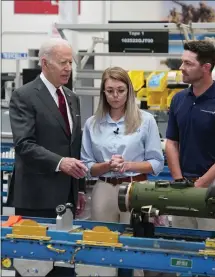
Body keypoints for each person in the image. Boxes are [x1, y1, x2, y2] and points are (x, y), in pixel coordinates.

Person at [8, 37, 87, 276]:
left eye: (70, 63)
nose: (68, 68)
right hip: (36, 197)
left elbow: (75, 145)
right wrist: (60, 163)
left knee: (64, 265)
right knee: (34, 268)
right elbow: (24, 144)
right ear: (45, 63)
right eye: (63, 63)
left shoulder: (72, 98)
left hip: (66, 199)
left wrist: (79, 187)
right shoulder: (25, 95)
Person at [165, 40, 215, 230]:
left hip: (214, 188)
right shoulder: (178, 100)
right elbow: (171, 143)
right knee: (180, 244)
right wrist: (178, 181)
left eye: (188, 64)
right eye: (182, 62)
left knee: (213, 247)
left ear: (206, 67)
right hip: (182, 187)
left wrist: (200, 184)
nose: (181, 68)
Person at [80, 66, 165, 224]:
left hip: (136, 188)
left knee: (136, 239)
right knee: (103, 239)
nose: (115, 96)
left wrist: (128, 165)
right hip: (104, 190)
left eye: (121, 90)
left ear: (129, 91)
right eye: (110, 91)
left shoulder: (146, 121)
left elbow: (157, 163)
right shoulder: (92, 124)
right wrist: (107, 166)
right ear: (103, 93)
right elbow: (87, 166)